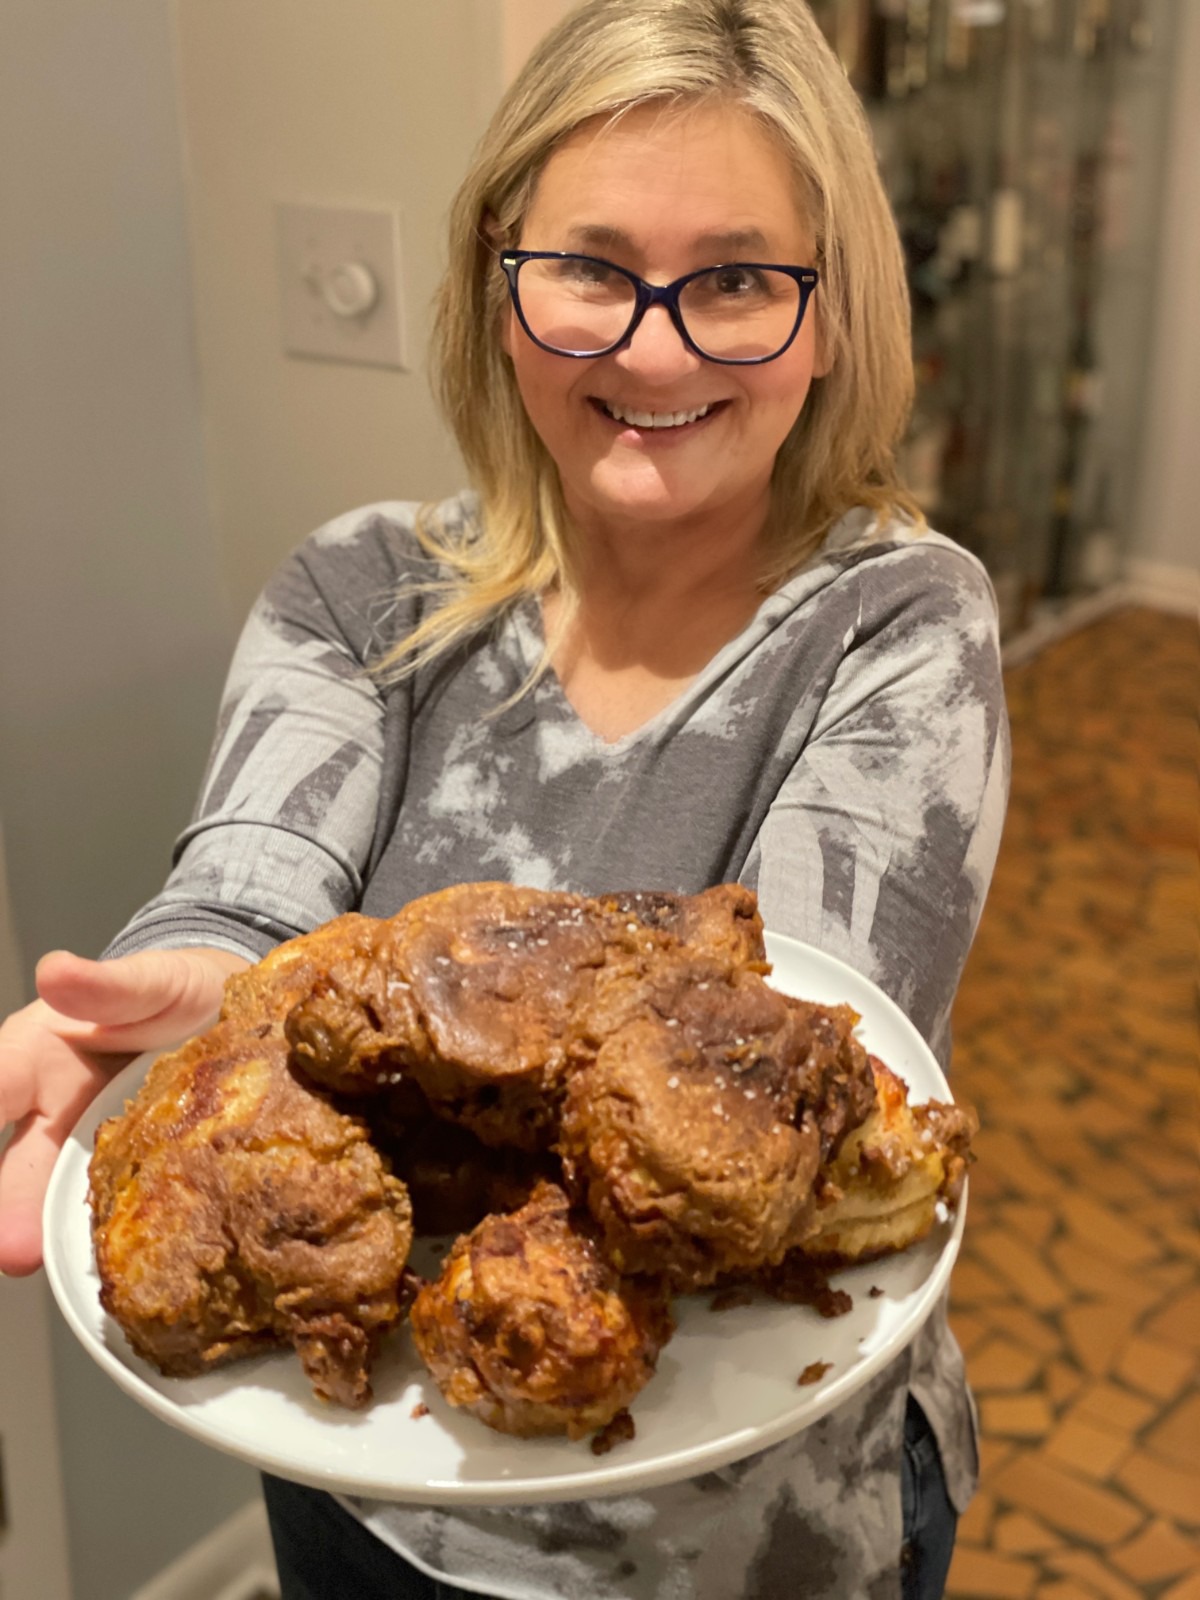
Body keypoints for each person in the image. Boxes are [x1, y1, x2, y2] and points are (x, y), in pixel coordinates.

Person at [0, 1, 1009, 1596]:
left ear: (828, 314)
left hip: (761, 1530)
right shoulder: (360, 589)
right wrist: (192, 999)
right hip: (380, 1491)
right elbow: (254, 886)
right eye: (593, 267)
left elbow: (780, 1097)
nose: (655, 343)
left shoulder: (895, 623)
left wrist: (400, 1019)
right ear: (501, 281)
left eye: (738, 277)